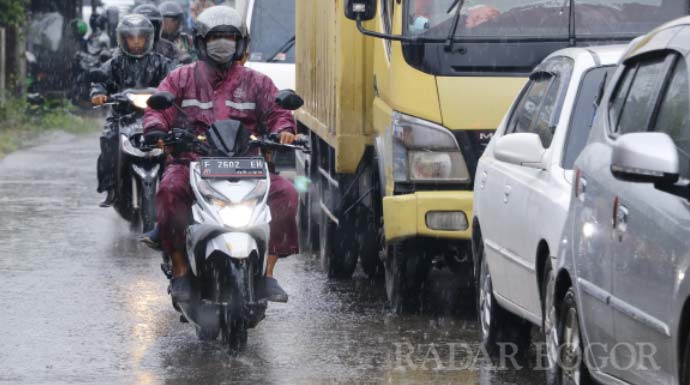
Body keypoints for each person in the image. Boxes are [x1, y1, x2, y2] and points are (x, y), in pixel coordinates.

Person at [142, 5, 298, 302]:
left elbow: (279, 112)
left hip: (249, 166)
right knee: (168, 190)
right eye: (216, 37)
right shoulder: (181, 78)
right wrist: (156, 130)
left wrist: (285, 128)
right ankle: (180, 271)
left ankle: (267, 275)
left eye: (229, 36)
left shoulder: (257, 82)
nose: (223, 42)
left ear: (240, 42)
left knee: (287, 194)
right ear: (201, 42)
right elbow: (155, 110)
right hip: (192, 164)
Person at [92, 14, 173, 207]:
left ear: (149, 38)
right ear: (123, 39)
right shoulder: (115, 62)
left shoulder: (161, 62)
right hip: (122, 114)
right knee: (108, 139)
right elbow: (100, 81)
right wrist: (99, 93)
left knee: (178, 142)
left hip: (158, 115)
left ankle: (177, 187)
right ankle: (110, 187)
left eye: (140, 38)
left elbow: (175, 80)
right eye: (131, 38)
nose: (136, 43)